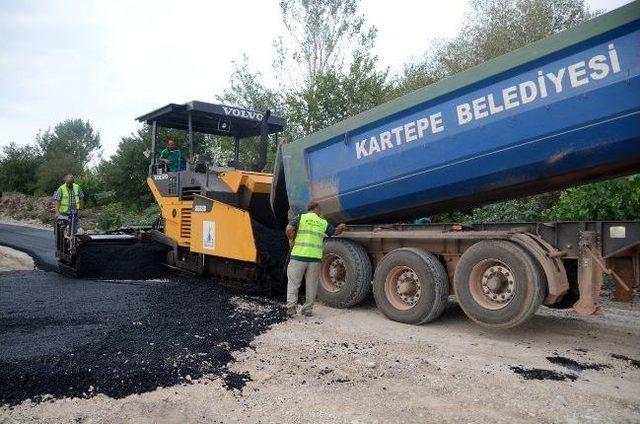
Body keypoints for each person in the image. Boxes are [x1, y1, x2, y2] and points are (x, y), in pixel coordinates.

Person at [285, 202, 346, 317]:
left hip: (298, 256)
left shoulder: (301, 218)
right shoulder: (322, 222)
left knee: (294, 283)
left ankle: (291, 309)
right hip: (314, 259)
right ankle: (307, 310)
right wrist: (341, 227)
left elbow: (289, 228)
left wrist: (291, 238)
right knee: (311, 285)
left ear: (309, 209)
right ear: (316, 209)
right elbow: (335, 232)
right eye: (319, 210)